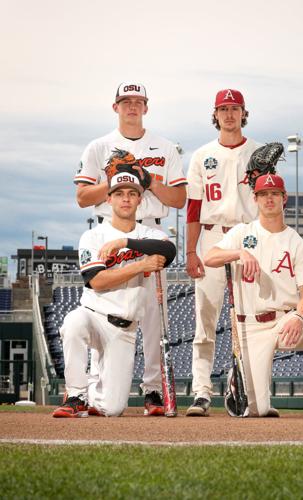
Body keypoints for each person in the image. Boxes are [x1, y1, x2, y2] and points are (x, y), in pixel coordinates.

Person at [74, 82, 186, 415]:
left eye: (138, 102)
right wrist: (119, 178)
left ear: (146, 107)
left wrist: (148, 180)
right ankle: (96, 387)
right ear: (116, 107)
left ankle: (153, 391)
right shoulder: (99, 146)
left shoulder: (164, 147)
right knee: (101, 310)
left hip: (150, 230)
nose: (132, 107)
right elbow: (82, 198)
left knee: (153, 315)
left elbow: (179, 199)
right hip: (109, 230)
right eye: (126, 102)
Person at [203, 173, 303, 419]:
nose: (269, 199)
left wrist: (299, 316)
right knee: (258, 410)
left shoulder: (297, 243)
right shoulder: (242, 232)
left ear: (284, 198)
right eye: (263, 194)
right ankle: (240, 378)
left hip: (285, 321)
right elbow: (210, 257)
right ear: (255, 199)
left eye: (274, 194)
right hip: (251, 326)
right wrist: (238, 253)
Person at [53, 170, 176, 418]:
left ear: (140, 200)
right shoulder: (92, 236)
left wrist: (125, 243)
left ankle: (93, 394)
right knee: (72, 322)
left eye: (132, 194)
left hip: (123, 327)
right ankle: (75, 394)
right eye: (119, 194)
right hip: (93, 315)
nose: (126, 199)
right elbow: (97, 281)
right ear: (108, 199)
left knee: (112, 408)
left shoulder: (148, 234)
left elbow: (168, 250)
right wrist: (141, 265)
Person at [185, 89, 262, 416]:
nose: (229, 114)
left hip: (249, 238)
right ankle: (201, 392)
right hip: (213, 238)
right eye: (223, 108)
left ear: (244, 113)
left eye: (235, 108)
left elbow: (267, 202)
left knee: (252, 318)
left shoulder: (259, 152)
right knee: (205, 319)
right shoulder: (202, 155)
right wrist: (190, 251)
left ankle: (253, 388)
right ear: (214, 114)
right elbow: (193, 208)